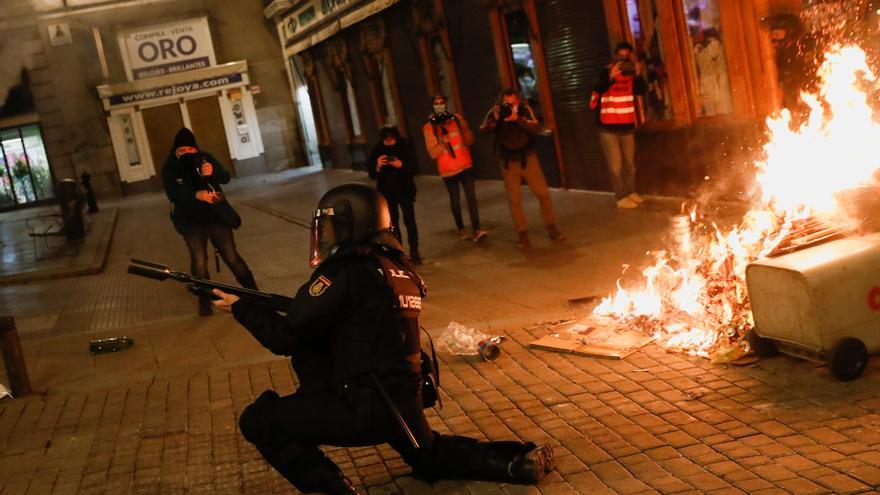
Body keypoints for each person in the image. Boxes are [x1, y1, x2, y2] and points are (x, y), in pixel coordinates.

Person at [211, 183, 555, 495]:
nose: (327, 234)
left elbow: (285, 336)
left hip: (362, 408)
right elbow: (354, 323)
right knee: (429, 456)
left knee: (260, 420)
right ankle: (518, 461)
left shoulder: (345, 270)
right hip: (404, 404)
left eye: (331, 226)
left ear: (351, 224)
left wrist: (241, 308)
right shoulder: (398, 269)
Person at [162, 127, 258, 316]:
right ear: (176, 151)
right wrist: (195, 195)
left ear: (196, 148)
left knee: (232, 257)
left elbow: (226, 177)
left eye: (191, 150)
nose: (188, 154)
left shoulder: (205, 158)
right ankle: (205, 301)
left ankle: (255, 294)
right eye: (183, 151)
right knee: (199, 262)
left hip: (216, 217)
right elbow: (173, 194)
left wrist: (212, 171)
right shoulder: (170, 168)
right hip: (191, 222)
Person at [479, 88, 564, 248]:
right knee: (514, 200)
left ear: (518, 101)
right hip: (508, 162)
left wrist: (518, 118)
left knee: (543, 194)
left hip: (528, 158)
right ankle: (523, 234)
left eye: (513, 102)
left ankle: (552, 228)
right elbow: (482, 130)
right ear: (502, 101)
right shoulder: (496, 111)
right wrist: (495, 121)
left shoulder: (524, 109)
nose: (510, 105)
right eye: (507, 103)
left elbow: (537, 127)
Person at [591, 41, 649, 210]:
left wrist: (638, 74)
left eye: (627, 56)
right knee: (615, 166)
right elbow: (597, 88)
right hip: (607, 127)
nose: (623, 59)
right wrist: (611, 77)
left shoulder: (631, 73)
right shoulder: (606, 70)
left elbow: (641, 90)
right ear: (614, 56)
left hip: (626, 125)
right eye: (620, 56)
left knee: (630, 164)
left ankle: (631, 192)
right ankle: (621, 197)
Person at [422, 94, 487, 242]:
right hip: (448, 169)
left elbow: (470, 140)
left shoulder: (455, 119)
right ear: (433, 106)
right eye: (436, 103)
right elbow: (433, 153)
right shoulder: (428, 127)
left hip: (465, 164)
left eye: (442, 102)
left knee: (471, 196)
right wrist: (442, 142)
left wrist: (463, 126)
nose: (440, 105)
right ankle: (461, 228)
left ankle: (477, 229)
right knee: (455, 200)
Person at [368, 125, 421, 264]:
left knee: (410, 221)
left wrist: (400, 165)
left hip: (405, 189)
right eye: (386, 141)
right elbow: (372, 175)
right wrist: (378, 166)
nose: (389, 143)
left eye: (392, 140)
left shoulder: (404, 146)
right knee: (393, 224)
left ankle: (415, 252)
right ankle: (399, 254)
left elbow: (414, 168)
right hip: (387, 192)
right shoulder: (377, 150)